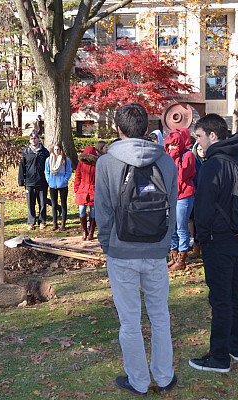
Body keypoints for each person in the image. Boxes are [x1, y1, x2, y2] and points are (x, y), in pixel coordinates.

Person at [95, 103, 178, 396]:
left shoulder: (106, 163)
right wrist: (166, 243)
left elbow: (102, 210)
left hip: (121, 251)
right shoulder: (166, 161)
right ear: (146, 129)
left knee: (129, 321)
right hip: (156, 250)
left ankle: (139, 381)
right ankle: (164, 376)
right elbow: (173, 208)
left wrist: (108, 244)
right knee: (160, 316)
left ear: (118, 129)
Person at [190, 113, 238, 373]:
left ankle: (219, 357)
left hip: (219, 240)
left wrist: (201, 238)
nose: (198, 143)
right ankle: (236, 347)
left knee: (222, 299)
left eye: (200, 137)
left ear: (213, 136)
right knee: (237, 294)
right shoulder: (237, 160)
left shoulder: (214, 164)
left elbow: (202, 208)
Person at [164, 129, 196, 271]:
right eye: (169, 145)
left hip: (184, 196)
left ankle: (181, 260)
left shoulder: (188, 155)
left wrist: (175, 157)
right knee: (172, 227)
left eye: (174, 145)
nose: (171, 148)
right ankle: (174, 255)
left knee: (181, 228)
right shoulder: (167, 157)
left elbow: (182, 175)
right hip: (171, 196)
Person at [18, 132, 50, 230]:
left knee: (42, 203)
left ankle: (42, 221)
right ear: (29, 140)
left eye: (35, 138)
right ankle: (31, 222)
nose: (34, 140)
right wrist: (21, 180)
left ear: (39, 139)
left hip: (42, 181)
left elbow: (48, 167)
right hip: (29, 182)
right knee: (30, 203)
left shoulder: (44, 152)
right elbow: (21, 167)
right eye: (32, 138)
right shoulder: (26, 152)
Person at [44, 142, 72, 231]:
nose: (56, 151)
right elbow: (46, 171)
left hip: (62, 184)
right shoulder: (48, 160)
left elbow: (68, 172)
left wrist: (64, 180)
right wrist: (49, 180)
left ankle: (63, 223)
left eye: (58, 149)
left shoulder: (65, 159)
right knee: (54, 204)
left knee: (63, 204)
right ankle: (54, 223)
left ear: (61, 150)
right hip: (52, 184)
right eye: (55, 149)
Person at [74, 146, 99, 240]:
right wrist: (76, 188)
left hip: (93, 190)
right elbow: (77, 175)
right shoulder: (81, 163)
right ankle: (84, 231)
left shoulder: (96, 164)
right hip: (82, 190)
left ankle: (91, 232)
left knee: (93, 212)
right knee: (81, 210)